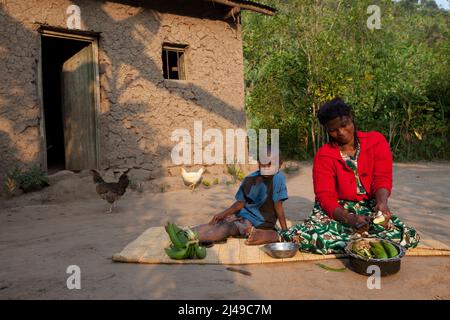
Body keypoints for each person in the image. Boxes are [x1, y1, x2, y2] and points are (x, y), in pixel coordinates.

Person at [249, 97, 420, 254]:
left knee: (405, 237)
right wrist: (349, 218)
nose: (342, 132)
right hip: (335, 209)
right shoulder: (324, 155)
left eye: (345, 124)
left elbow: (382, 178)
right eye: (333, 130)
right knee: (321, 238)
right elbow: (325, 197)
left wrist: (382, 204)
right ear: (326, 130)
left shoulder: (376, 141)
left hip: (370, 206)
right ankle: (278, 236)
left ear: (351, 118)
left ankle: (358, 239)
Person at [192, 147, 289, 246]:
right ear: (258, 163)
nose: (266, 169)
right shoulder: (250, 179)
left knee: (227, 227)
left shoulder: (278, 178)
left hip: (260, 224)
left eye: (270, 165)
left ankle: (192, 239)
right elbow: (239, 204)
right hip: (242, 216)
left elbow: (278, 206)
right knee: (220, 222)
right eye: (263, 164)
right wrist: (222, 214)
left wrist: (285, 231)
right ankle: (186, 234)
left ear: (280, 164)